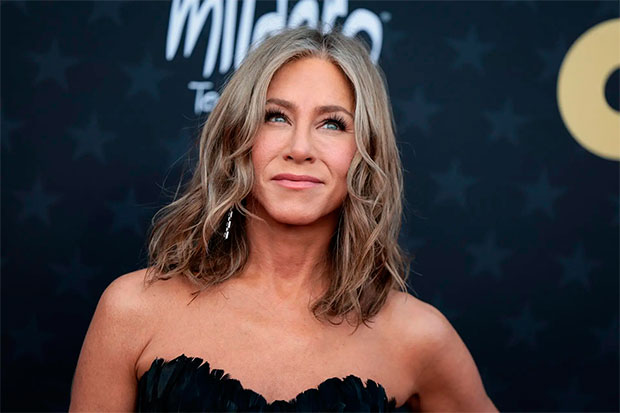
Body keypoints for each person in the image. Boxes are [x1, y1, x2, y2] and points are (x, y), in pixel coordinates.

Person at [69, 26, 498, 412]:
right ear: (237, 136)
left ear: (365, 152)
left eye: (332, 124)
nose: (300, 148)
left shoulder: (417, 336)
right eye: (276, 117)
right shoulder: (132, 310)